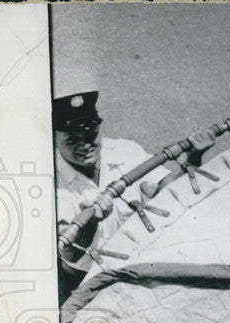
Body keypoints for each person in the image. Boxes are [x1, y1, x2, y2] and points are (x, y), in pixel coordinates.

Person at [53, 90, 213, 301]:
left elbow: (169, 194)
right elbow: (70, 254)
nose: (85, 145)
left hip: (138, 269)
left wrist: (193, 158)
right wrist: (90, 224)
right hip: (83, 282)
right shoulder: (49, 182)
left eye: (91, 134)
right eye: (72, 140)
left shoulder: (124, 150)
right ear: (53, 138)